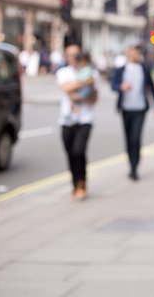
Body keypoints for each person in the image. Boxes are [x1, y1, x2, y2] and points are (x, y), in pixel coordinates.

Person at [110, 45, 154, 181]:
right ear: (127, 54)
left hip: (140, 108)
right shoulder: (121, 70)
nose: (133, 55)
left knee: (136, 138)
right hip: (126, 108)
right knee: (128, 139)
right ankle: (130, 164)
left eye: (136, 53)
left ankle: (134, 167)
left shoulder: (144, 69)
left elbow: (153, 89)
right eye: (131, 53)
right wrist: (121, 87)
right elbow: (113, 85)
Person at [56, 43, 99, 201]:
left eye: (76, 54)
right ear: (66, 57)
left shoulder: (91, 72)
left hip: (84, 119)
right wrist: (85, 82)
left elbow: (94, 99)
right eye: (70, 55)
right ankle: (74, 185)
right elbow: (66, 88)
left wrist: (82, 92)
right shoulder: (63, 72)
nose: (74, 58)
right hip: (66, 120)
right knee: (70, 154)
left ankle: (82, 183)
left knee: (78, 151)